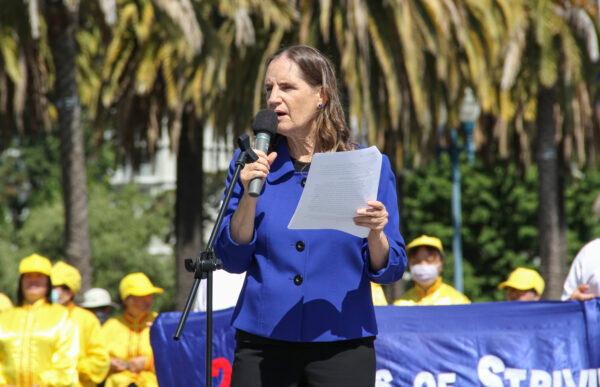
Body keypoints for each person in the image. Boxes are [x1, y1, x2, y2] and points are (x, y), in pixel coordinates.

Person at [214, 45, 406, 386]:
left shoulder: (367, 166)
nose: (273, 99)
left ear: (322, 95)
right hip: (263, 343)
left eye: (287, 88)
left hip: (341, 342)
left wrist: (376, 232)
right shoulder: (249, 163)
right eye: (269, 89)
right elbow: (231, 258)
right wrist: (247, 195)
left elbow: (389, 270)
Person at [0, 253, 79, 386]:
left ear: (48, 282)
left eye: (39, 276)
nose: (33, 281)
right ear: (21, 282)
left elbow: (67, 364)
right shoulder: (4, 318)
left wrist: (44, 383)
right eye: (28, 276)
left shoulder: (61, 316)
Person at [51, 261, 110, 386]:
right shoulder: (39, 317)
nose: (57, 291)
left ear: (72, 291)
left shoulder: (87, 319)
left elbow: (101, 360)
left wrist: (73, 367)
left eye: (64, 288)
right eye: (52, 287)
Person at [101, 272, 163, 387]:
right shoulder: (111, 326)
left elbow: (175, 358)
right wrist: (108, 364)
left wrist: (148, 363)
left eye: (150, 295)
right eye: (140, 296)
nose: (147, 300)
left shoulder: (160, 323)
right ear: (126, 300)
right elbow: (95, 357)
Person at [394, 235, 470, 306]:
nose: (422, 265)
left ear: (441, 263)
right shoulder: (400, 304)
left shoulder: (458, 302)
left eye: (429, 260)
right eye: (416, 261)